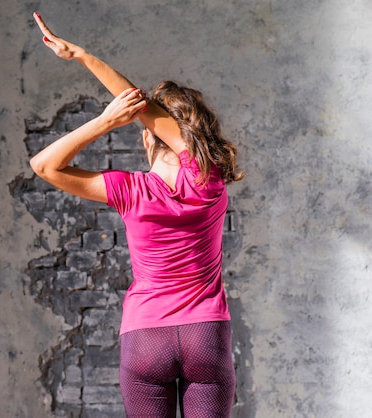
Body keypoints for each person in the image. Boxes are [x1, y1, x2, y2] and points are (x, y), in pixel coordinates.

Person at [30, 11, 245, 418]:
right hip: (206, 333)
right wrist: (84, 58)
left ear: (148, 138)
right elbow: (146, 108)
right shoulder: (208, 180)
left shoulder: (130, 191)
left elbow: (44, 165)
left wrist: (103, 120)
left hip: (146, 337)